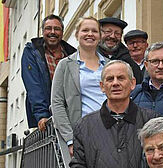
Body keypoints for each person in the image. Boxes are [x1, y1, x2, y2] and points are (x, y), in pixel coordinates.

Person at [52, 17, 108, 157]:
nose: (90, 34)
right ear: (77, 35)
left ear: (100, 36)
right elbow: (57, 103)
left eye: (94, 31)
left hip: (110, 130)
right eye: (85, 30)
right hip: (82, 133)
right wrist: (70, 139)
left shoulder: (109, 65)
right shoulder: (65, 65)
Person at [21, 14, 76, 131]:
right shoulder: (32, 52)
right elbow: (33, 86)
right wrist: (42, 115)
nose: (52, 32)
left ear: (62, 32)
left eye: (57, 29)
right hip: (45, 120)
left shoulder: (72, 55)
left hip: (69, 117)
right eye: (48, 28)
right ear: (42, 31)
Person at [98, 17, 143, 84]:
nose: (112, 36)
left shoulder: (130, 63)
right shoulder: (90, 57)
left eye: (117, 33)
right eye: (108, 32)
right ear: (99, 33)